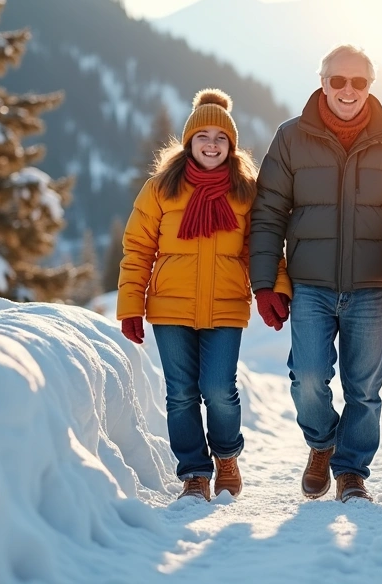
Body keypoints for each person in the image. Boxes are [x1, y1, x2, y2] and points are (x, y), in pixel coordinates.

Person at [250, 44, 382, 503]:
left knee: (364, 390)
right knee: (308, 378)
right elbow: (268, 213)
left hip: (371, 286)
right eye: (338, 80)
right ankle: (322, 443)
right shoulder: (291, 138)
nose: (348, 90)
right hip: (309, 285)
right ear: (323, 83)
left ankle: (351, 472)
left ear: (370, 86)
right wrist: (265, 282)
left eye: (359, 81)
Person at [118, 89, 291, 501]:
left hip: (225, 306)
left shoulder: (246, 192)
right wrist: (131, 306)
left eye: (220, 138)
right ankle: (194, 474)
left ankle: (226, 456)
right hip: (169, 307)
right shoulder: (161, 189)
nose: (212, 144)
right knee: (180, 394)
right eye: (203, 136)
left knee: (218, 390)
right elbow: (138, 249)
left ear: (231, 145)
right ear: (188, 141)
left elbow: (262, 247)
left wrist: (274, 289)